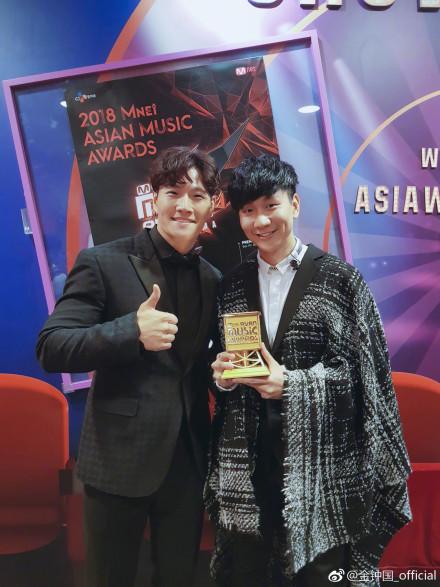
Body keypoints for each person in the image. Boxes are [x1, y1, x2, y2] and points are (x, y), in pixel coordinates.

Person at [205, 155, 411, 587]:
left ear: (294, 204)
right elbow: (226, 363)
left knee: (319, 574)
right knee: (248, 571)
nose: (261, 220)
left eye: (270, 205)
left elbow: (366, 382)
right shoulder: (231, 286)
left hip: (322, 464)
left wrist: (292, 385)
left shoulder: (341, 281)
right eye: (248, 210)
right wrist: (221, 377)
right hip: (249, 461)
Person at [37, 146, 221, 587]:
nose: (184, 204)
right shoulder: (103, 261)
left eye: (197, 195)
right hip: (119, 459)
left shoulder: (212, 278)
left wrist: (225, 372)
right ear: (154, 198)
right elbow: (52, 346)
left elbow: (195, 366)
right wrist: (130, 331)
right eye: (173, 192)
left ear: (211, 205)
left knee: (178, 577)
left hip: (187, 461)